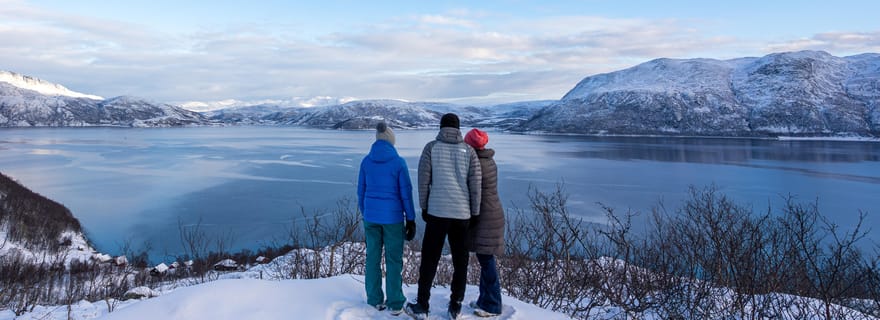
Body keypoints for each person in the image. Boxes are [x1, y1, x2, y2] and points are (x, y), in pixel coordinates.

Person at [406, 113, 481, 320]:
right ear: (458, 128)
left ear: (441, 127)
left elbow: (423, 179)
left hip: (437, 212)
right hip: (462, 213)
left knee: (430, 259)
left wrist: (424, 207)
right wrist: (475, 212)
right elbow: (475, 185)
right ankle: (455, 305)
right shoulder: (469, 151)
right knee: (461, 261)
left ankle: (422, 305)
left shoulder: (431, 148)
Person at [357, 122, 417, 316]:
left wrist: (366, 213)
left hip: (371, 218)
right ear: (392, 141)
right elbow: (406, 193)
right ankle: (395, 302)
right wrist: (411, 219)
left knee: (372, 258)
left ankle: (374, 299)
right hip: (393, 219)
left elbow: (361, 191)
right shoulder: (398, 162)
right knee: (393, 260)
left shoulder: (366, 161)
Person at [463, 128, 505, 317]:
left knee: (487, 261)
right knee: (485, 258)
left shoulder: (476, 163)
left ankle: (493, 305)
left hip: (486, 217)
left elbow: (474, 192)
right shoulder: (489, 160)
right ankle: (484, 300)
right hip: (493, 213)